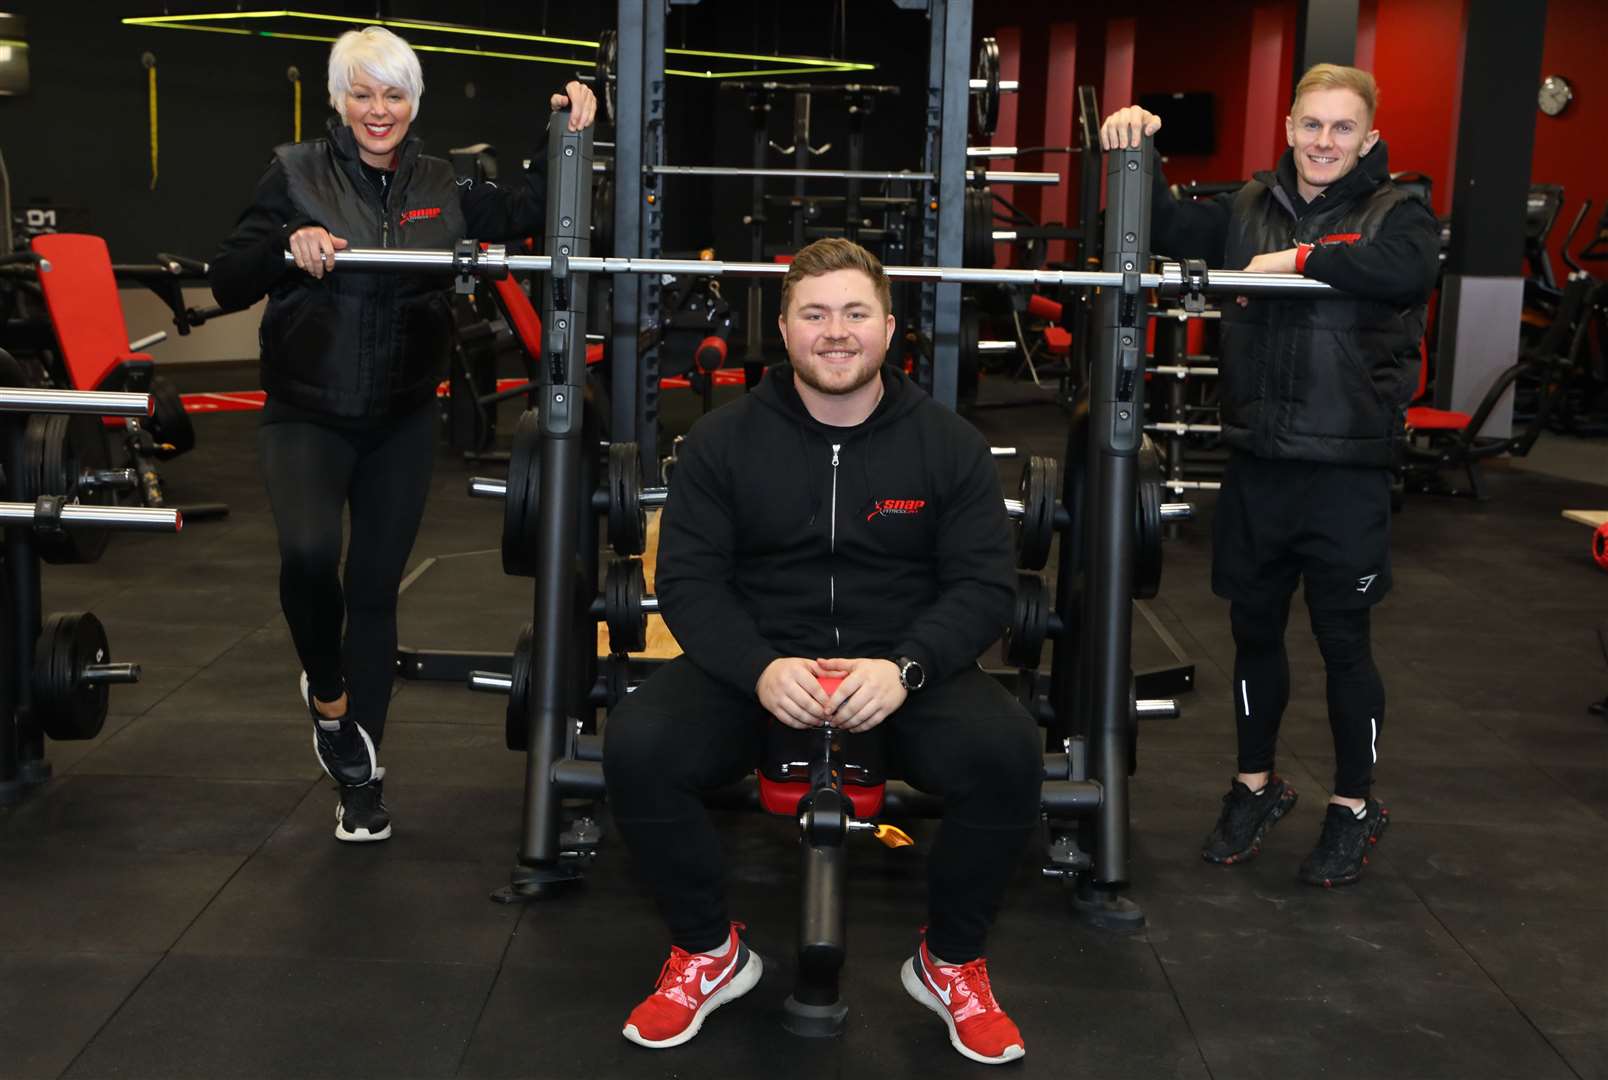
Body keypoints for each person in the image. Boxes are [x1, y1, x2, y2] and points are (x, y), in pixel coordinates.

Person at [602, 238, 1043, 1063]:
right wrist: (760, 668)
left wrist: (906, 667)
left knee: (1011, 752)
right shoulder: (722, 441)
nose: (834, 333)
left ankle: (949, 961)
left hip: (899, 673)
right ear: (782, 328)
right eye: (814, 314)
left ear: (888, 326)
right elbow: (691, 583)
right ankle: (707, 951)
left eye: (853, 313)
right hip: (761, 672)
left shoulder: (948, 445)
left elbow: (984, 587)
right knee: (637, 743)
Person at [209, 27, 596, 843]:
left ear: (414, 102)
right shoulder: (294, 173)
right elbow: (227, 275)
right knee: (312, 558)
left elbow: (530, 211)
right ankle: (327, 698)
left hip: (402, 417)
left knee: (377, 592)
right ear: (339, 101)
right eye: (362, 93)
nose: (377, 109)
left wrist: (564, 129)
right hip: (307, 413)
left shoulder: (443, 183)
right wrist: (288, 246)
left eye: (392, 94)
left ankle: (361, 779)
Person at [1101, 64, 1439, 886]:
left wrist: (1291, 258)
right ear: (1288, 127)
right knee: (1253, 633)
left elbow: (1397, 271)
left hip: (1345, 471)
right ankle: (1255, 786)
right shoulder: (1245, 206)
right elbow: (1166, 227)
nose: (1324, 143)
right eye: (1311, 125)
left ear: (1368, 137)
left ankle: (1355, 804)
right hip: (1258, 461)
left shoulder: (1402, 210)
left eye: (1341, 129)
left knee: (1342, 642)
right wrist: (1132, 150)